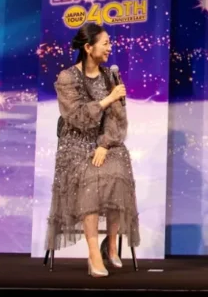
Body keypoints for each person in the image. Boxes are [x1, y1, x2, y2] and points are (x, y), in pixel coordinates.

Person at [44, 23, 140, 278]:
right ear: (88, 47)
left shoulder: (111, 76)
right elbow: (76, 117)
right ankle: (93, 253)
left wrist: (104, 144)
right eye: (105, 43)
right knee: (91, 177)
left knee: (118, 170)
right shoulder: (67, 78)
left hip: (104, 142)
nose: (110, 48)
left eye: (110, 43)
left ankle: (110, 244)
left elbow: (118, 118)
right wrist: (108, 98)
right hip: (75, 142)